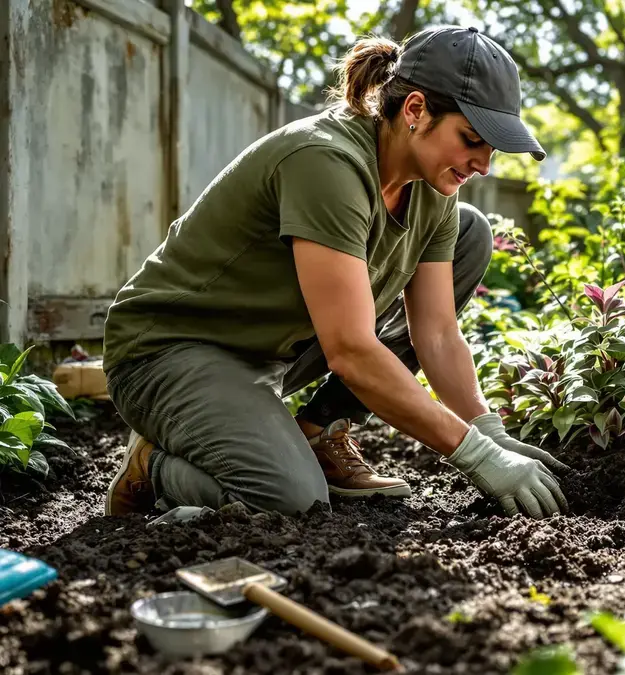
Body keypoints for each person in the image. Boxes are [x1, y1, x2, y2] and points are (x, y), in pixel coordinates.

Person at [100, 26, 569, 520]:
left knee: (471, 234)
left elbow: (435, 333)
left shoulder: (433, 193)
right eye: (472, 139)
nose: (483, 165)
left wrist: (488, 433)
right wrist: (474, 457)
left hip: (269, 354)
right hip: (169, 352)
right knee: (293, 504)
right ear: (414, 110)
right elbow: (351, 350)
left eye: (493, 149)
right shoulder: (325, 162)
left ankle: (316, 434)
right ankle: (151, 466)